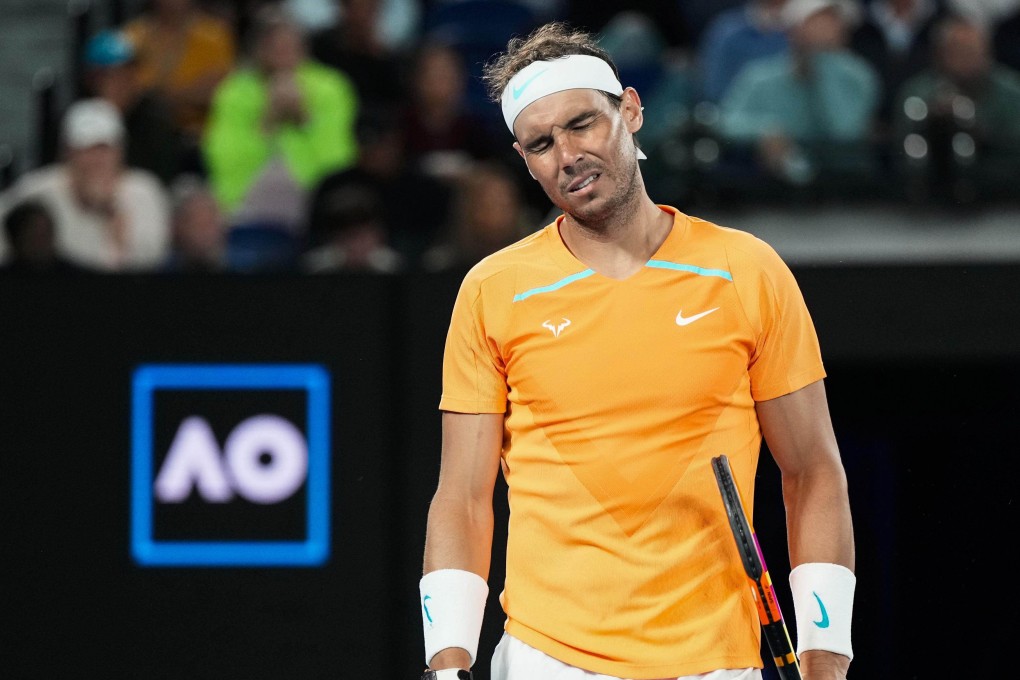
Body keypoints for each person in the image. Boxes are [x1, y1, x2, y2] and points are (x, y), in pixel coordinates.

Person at [418, 21, 856, 680]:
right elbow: (463, 497)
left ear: (630, 110)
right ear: (524, 159)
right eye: (541, 143)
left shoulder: (747, 271)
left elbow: (814, 472)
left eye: (581, 125)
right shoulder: (492, 291)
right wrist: (448, 663)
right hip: (547, 659)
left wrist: (826, 660)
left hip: (717, 661)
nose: (567, 155)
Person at [202, 5, 359, 233]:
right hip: (245, 207)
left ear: (304, 49)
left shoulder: (330, 88)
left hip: (314, 205)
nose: (283, 56)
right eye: (275, 48)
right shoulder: (234, 92)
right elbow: (223, 162)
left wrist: (303, 119)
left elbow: (338, 161)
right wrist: (268, 121)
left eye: (290, 47)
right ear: (258, 50)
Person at [717, 0, 880, 186]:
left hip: (846, 188)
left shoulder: (859, 77)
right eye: (816, 21)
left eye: (833, 21)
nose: (825, 29)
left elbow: (845, 133)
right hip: (771, 188)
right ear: (794, 30)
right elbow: (724, 122)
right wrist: (766, 132)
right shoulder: (760, 76)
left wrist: (821, 64)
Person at [0, 98, 171, 272]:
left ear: (120, 152)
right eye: (86, 150)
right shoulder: (38, 191)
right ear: (67, 153)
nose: (97, 161)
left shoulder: (144, 192)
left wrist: (119, 234)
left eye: (104, 149)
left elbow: (151, 260)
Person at [81, 28, 184, 185]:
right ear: (93, 80)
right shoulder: (78, 119)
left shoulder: (155, 120)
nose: (125, 83)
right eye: (114, 76)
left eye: (129, 73)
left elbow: (162, 180)